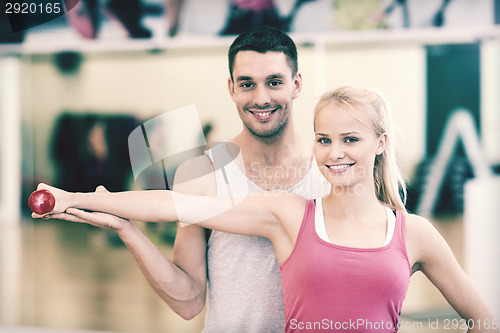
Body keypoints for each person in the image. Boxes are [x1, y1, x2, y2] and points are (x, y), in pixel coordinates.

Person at [34, 85, 498, 332]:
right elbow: (178, 203)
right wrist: (79, 199)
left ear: (379, 144)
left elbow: (484, 321)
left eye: (350, 139)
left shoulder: (413, 233)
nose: (335, 152)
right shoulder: (289, 214)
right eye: (324, 139)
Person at [42, 26, 330, 332]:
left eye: (274, 82)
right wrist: (126, 229)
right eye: (247, 84)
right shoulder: (203, 173)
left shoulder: (332, 169)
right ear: (231, 88)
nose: (261, 98)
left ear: (296, 84)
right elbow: (189, 301)